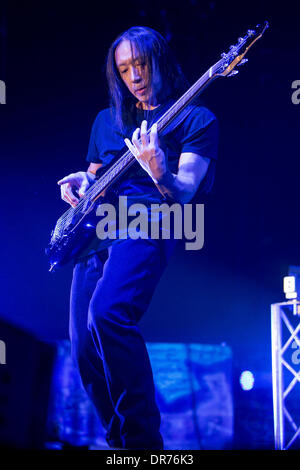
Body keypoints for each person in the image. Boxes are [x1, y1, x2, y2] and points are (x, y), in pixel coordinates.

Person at [57, 26, 218, 450]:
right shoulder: (106, 121)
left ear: (159, 61)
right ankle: (120, 446)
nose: (134, 76)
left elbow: (184, 191)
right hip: (99, 232)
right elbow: (96, 181)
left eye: (140, 64)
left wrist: (159, 170)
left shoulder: (198, 119)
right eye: (124, 68)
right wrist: (79, 181)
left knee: (107, 315)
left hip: (150, 223)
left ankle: (144, 446)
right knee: (84, 351)